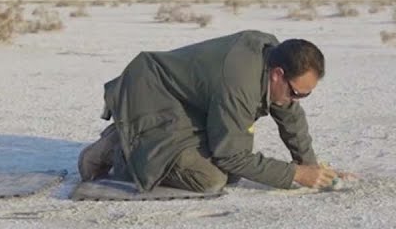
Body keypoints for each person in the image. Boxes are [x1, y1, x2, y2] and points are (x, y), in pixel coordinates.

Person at [78, 30, 343, 192]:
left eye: (306, 94)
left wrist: (311, 166)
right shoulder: (239, 83)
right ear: (277, 74)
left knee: (232, 172)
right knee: (210, 178)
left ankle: (133, 139)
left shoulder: (274, 58)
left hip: (186, 102)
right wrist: (296, 173)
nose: (299, 100)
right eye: (297, 93)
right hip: (150, 97)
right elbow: (232, 156)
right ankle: (120, 149)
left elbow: (290, 114)